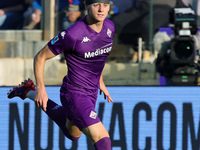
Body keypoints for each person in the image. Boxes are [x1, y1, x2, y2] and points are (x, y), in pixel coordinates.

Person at [7, 0, 114, 149]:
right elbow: (40, 57)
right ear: (86, 6)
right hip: (75, 94)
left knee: (73, 134)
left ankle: (29, 91)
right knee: (103, 140)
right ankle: (36, 91)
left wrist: (100, 80)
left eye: (105, 4)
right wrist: (42, 89)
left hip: (91, 92)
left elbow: (97, 57)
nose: (101, 9)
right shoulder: (72, 34)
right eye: (96, 4)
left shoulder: (110, 27)